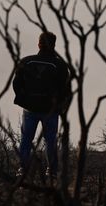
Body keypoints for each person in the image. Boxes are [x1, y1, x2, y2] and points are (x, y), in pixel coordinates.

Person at [13, 32, 71, 180]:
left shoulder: (26, 61)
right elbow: (66, 90)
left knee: (26, 139)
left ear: (39, 44)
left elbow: (16, 84)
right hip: (50, 110)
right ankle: (51, 172)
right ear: (54, 45)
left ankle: (23, 169)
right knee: (50, 141)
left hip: (30, 109)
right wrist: (61, 106)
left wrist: (24, 100)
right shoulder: (60, 65)